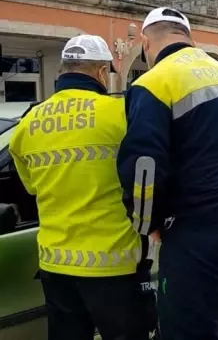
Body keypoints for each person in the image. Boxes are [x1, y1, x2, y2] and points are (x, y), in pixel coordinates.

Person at [117, 7, 218, 339]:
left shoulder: (153, 82)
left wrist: (147, 225)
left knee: (187, 328)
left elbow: (143, 166)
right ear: (188, 37)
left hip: (197, 228)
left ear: (144, 42)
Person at [8, 35, 150, 340]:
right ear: (101, 73)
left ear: (63, 71)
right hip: (113, 264)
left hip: (55, 264)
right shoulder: (120, 113)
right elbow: (143, 176)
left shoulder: (29, 122)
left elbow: (31, 187)